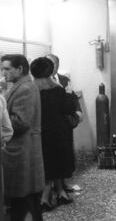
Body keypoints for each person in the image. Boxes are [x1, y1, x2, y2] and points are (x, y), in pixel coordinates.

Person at [1, 54, 45, 221]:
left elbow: (20, 122)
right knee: (28, 202)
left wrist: (1, 121)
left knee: (23, 202)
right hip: (24, 150)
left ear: (20, 69)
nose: (3, 72)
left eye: (7, 69)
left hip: (21, 151)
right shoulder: (21, 86)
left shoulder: (25, 88)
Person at [30, 57, 77, 210]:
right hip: (58, 132)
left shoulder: (31, 89)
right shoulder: (57, 89)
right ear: (50, 70)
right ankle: (50, 196)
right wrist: (70, 94)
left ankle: (52, 195)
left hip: (38, 132)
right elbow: (68, 110)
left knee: (45, 164)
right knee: (56, 162)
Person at [46, 53, 82, 193]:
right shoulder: (42, 83)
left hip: (66, 122)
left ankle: (63, 183)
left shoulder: (64, 80)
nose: (50, 67)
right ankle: (53, 187)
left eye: (53, 64)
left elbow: (73, 97)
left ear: (57, 66)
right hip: (52, 123)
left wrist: (78, 112)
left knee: (66, 152)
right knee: (54, 154)